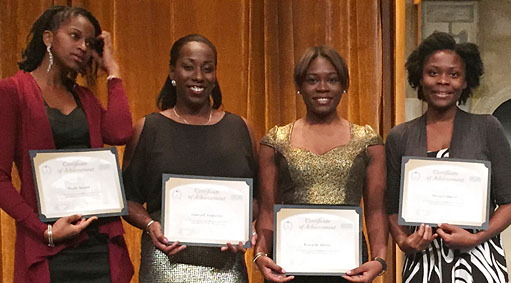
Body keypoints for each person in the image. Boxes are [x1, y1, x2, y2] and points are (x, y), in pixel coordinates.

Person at [0, 5, 134, 283]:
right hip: (50, 247)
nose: (83, 47)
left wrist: (113, 70)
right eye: (74, 36)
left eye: (89, 42)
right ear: (48, 38)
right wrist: (44, 231)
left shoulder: (84, 97)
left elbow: (120, 132)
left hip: (98, 243)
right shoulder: (12, 92)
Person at [122, 33, 258, 282]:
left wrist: (246, 227)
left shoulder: (240, 128)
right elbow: (126, 198)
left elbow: (257, 197)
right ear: (172, 72)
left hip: (226, 269)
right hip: (165, 266)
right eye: (188, 67)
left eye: (207, 69)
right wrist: (150, 224)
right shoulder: (149, 128)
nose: (198, 76)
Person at [254, 46, 388, 283]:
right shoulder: (276, 141)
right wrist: (260, 255)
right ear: (299, 86)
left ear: (344, 85)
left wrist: (379, 260)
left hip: (350, 270)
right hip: (288, 269)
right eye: (312, 80)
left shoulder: (367, 141)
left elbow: (376, 210)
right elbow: (266, 210)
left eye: (332, 80)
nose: (323, 88)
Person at [386, 31, 511, 282]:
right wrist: (403, 241)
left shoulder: (487, 127)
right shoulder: (400, 136)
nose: (443, 81)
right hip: (422, 265)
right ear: (420, 77)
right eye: (433, 73)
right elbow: (391, 206)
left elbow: (509, 202)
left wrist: (476, 237)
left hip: (481, 262)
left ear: (466, 81)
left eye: (454, 74)